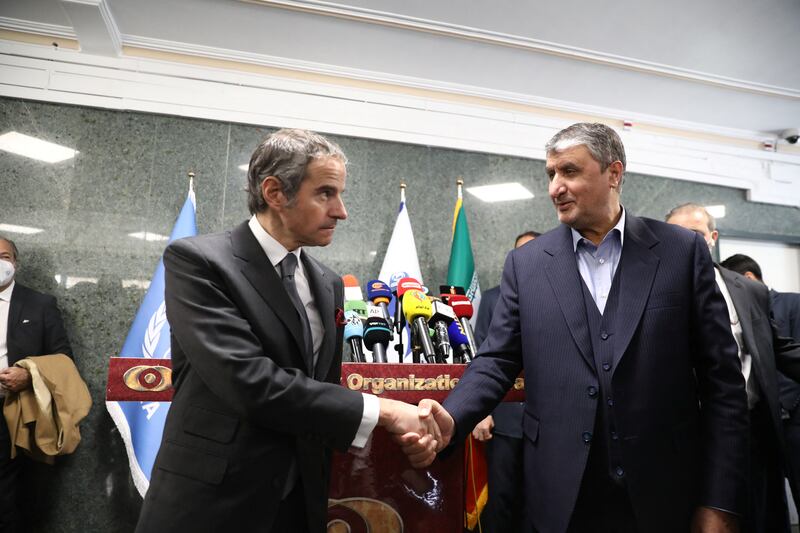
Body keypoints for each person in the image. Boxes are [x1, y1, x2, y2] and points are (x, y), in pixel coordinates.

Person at [405, 122, 754, 532]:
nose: (555, 187)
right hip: (561, 497)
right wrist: (452, 416)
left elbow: (723, 386)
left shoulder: (680, 251)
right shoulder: (527, 264)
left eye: (569, 171)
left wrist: (719, 501)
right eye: (551, 174)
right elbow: (497, 358)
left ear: (614, 174)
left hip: (665, 492)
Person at [135, 129, 441, 533]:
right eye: (325, 194)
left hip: (299, 504)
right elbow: (248, 382)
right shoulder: (199, 262)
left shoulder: (329, 283)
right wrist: (384, 411)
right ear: (275, 192)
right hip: (211, 506)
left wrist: (407, 438)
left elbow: (316, 391)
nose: (341, 211)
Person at [666, 204, 800, 532]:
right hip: (693, 438)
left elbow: (777, 347)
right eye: (676, 235)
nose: (686, 241)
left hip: (755, 433)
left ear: (712, 238)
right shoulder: (656, 292)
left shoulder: (749, 290)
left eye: (695, 234)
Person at [0, 236, 73, 533]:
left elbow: (64, 359)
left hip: (13, 414)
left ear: (15, 263)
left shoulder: (40, 305)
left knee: (7, 499)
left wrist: (29, 375)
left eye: (5, 256)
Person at [720, 252, 800, 515]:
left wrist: (784, 404)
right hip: (747, 424)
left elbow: (784, 351)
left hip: (784, 419)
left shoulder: (785, 301)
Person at [471, 230, 539, 533]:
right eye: (518, 254)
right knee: (500, 499)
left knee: (538, 503)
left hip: (547, 422)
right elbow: (482, 354)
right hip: (504, 420)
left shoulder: (565, 295)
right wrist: (480, 411)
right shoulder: (493, 298)